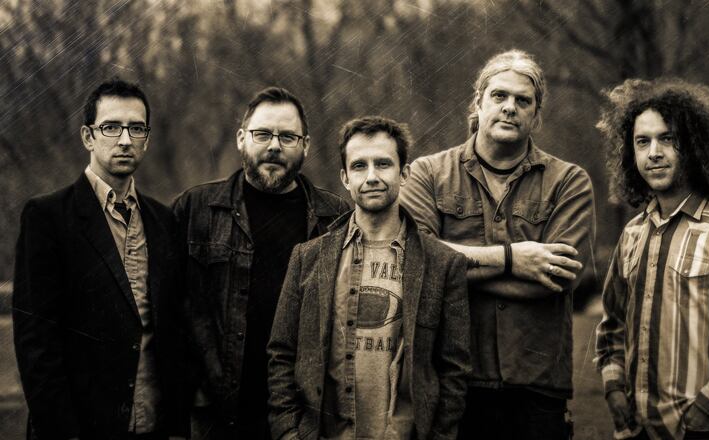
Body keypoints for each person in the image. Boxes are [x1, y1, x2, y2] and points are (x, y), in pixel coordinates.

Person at [399, 50, 595, 439]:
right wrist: (512, 259)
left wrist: (450, 269)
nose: (510, 108)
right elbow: (412, 261)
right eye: (500, 96)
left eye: (523, 101)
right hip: (453, 378)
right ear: (478, 103)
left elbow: (558, 278)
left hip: (538, 384)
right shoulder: (428, 173)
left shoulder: (569, 181)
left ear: (536, 116)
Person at [268, 116, 471, 440]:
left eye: (383, 164)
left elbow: (454, 372)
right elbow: (281, 354)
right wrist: (288, 433)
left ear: (404, 173)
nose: (372, 176)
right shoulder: (308, 258)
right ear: (345, 178)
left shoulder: (442, 264)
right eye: (360, 166)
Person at [594, 78, 709, 440]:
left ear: (694, 145)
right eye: (642, 142)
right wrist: (614, 389)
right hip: (638, 430)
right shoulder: (633, 233)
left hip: (707, 429)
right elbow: (612, 324)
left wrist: (706, 411)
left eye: (668, 138)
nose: (654, 153)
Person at [13, 78, 189, 440]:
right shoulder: (47, 217)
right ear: (88, 137)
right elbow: (37, 346)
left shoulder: (163, 221)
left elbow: (169, 334)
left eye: (136, 128)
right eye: (111, 127)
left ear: (147, 139)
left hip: (153, 426)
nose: (125, 140)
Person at [172, 87, 350, 439]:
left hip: (302, 415)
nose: (274, 146)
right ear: (241, 139)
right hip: (214, 414)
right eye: (263, 134)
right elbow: (167, 310)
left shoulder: (337, 218)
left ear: (306, 145)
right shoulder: (195, 210)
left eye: (287, 136)